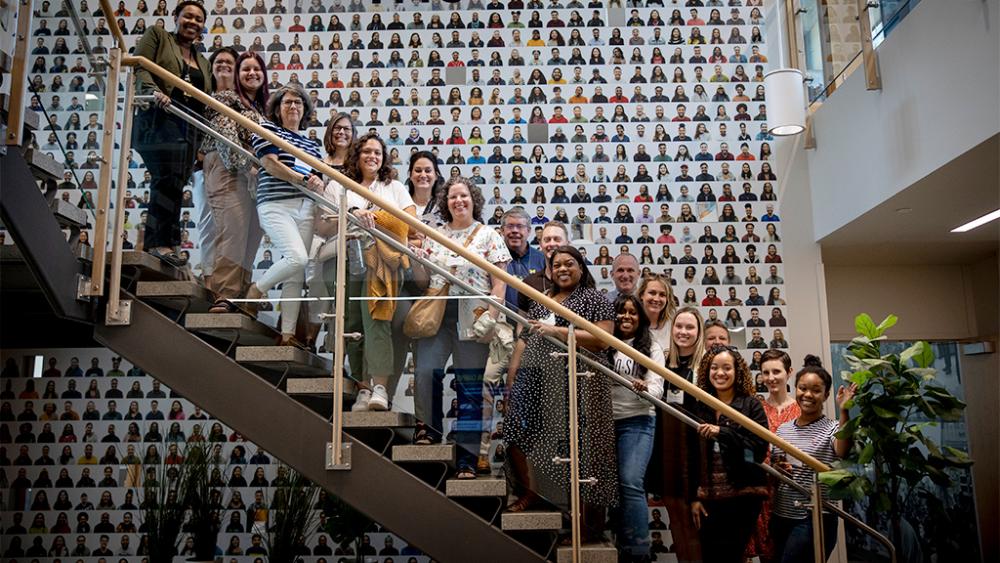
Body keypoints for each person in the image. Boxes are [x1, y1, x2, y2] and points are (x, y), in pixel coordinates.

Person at [504, 245, 617, 543]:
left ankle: (588, 530)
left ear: (581, 268)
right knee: (536, 441)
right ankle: (541, 497)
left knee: (587, 454)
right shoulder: (543, 300)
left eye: (570, 264)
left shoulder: (595, 298)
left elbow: (602, 339)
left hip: (585, 384)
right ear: (550, 270)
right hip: (544, 384)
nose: (563, 269)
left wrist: (559, 333)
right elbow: (525, 340)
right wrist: (513, 380)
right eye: (557, 265)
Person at [412, 178, 510, 479]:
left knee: (470, 388)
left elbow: (499, 282)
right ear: (446, 203)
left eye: (464, 196)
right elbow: (422, 282)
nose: (458, 201)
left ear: (473, 200)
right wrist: (415, 260)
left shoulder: (489, 235)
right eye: (453, 197)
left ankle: (466, 459)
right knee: (426, 372)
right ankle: (429, 430)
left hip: (475, 316)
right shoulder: (434, 234)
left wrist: (490, 317)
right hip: (438, 314)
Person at [325, 133, 417, 410]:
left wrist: (375, 216)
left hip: (383, 261)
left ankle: (379, 388)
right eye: (366, 151)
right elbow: (324, 224)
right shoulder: (341, 186)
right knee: (351, 325)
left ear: (384, 157)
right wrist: (353, 211)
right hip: (346, 259)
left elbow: (411, 224)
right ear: (356, 154)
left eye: (377, 152)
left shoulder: (395, 187)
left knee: (377, 321)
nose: (372, 156)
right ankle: (362, 388)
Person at [245, 84, 326, 346]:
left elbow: (319, 178)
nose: (293, 106)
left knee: (296, 274)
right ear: (278, 109)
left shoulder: (312, 144)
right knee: (297, 258)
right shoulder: (268, 129)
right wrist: (302, 179)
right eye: (287, 102)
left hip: (305, 207)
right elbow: (270, 164)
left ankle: (288, 334)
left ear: (305, 111)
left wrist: (316, 183)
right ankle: (256, 290)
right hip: (275, 204)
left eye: (298, 103)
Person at [132, 0, 211, 267]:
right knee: (166, 179)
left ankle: (170, 241)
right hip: (158, 118)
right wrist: (152, 91)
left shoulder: (202, 59)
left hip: (188, 128)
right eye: (187, 16)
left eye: (198, 19)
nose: (193, 22)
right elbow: (141, 66)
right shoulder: (157, 35)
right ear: (175, 17)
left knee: (176, 184)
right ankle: (157, 242)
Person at [689, 345, 770, 562]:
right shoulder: (700, 406)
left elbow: (759, 450)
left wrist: (722, 432)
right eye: (714, 368)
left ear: (737, 371)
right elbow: (692, 457)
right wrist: (694, 497)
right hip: (708, 500)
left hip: (743, 496)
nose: (720, 373)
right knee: (710, 557)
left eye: (727, 368)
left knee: (732, 556)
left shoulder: (752, 405)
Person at [771, 356, 856, 563]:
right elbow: (776, 465)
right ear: (796, 390)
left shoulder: (833, 428)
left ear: (826, 395)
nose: (807, 394)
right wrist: (777, 466)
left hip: (814, 516)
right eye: (802, 388)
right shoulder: (783, 429)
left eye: (816, 390)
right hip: (782, 513)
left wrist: (844, 410)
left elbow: (842, 451)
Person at [203, 49, 267, 313]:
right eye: (246, 69)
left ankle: (240, 296)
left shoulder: (263, 108)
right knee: (234, 231)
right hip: (228, 168)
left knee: (252, 234)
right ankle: (225, 295)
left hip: (253, 176)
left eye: (256, 69)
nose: (252, 73)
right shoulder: (227, 98)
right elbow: (226, 140)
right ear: (237, 75)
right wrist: (250, 166)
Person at [609, 294, 665, 561]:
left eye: (632, 312)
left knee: (631, 482)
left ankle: (639, 552)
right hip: (605, 423)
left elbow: (657, 388)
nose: (626, 317)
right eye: (621, 312)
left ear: (640, 317)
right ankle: (618, 544)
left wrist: (645, 389)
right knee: (610, 486)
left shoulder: (651, 347)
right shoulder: (602, 342)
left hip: (638, 421)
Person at [654, 306, 705, 562]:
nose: (683, 332)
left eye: (690, 327)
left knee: (694, 525)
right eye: (679, 326)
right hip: (668, 450)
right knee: (675, 522)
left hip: (697, 453)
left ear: (699, 332)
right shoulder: (663, 362)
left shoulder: (706, 367)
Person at [746, 348, 801, 562]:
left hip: (794, 492)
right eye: (765, 373)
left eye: (776, 372)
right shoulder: (756, 408)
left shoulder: (801, 409)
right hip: (763, 493)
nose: (770, 378)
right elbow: (747, 450)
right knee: (769, 556)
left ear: (789, 372)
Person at [500, 208, 547, 313]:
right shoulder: (494, 258)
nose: (515, 230)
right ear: (502, 230)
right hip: (502, 322)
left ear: (529, 231)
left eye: (520, 226)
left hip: (535, 323)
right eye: (510, 226)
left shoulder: (542, 259)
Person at [637, 274, 675, 353]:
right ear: (641, 295)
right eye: (652, 293)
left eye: (662, 295)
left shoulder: (674, 325)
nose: (656, 299)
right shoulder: (633, 325)